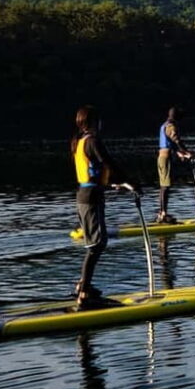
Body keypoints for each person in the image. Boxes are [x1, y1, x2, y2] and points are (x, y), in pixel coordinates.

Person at [71, 105, 139, 310]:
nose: (101, 125)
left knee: (96, 243)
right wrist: (131, 181)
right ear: (92, 122)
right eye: (98, 121)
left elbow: (94, 171)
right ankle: (83, 292)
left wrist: (113, 184)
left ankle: (84, 287)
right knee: (97, 244)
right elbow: (109, 163)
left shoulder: (80, 141)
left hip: (86, 195)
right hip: (90, 198)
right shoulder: (92, 141)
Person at [156, 106, 193, 224]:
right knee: (165, 186)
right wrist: (187, 152)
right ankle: (163, 215)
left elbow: (170, 144)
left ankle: (162, 213)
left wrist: (180, 154)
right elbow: (176, 140)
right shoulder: (171, 126)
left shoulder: (164, 125)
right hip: (165, 159)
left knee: (164, 186)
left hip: (163, 157)